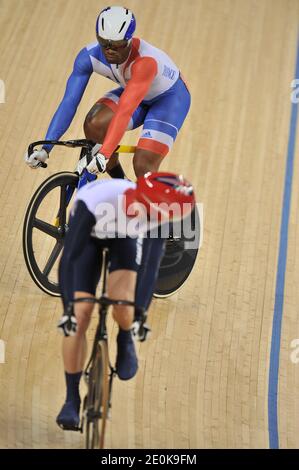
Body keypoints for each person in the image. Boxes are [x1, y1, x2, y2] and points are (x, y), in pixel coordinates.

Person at [56, 172, 195, 430]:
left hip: (124, 240)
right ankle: (71, 399)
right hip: (89, 236)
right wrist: (68, 309)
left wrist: (138, 316)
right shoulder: (96, 200)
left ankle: (123, 338)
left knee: (124, 308)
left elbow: (150, 269)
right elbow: (68, 260)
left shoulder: (157, 218)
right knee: (80, 314)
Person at [24, 5, 191, 179]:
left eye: (117, 45)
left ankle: (155, 204)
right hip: (135, 91)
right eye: (104, 43)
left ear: (129, 40)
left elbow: (125, 111)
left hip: (169, 100)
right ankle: (122, 184)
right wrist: (46, 148)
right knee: (94, 123)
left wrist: (104, 154)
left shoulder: (145, 62)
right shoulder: (88, 56)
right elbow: (69, 102)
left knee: (143, 164)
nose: (110, 50)